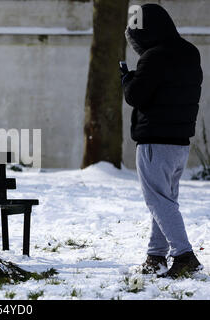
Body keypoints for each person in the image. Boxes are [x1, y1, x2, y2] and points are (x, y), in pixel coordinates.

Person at [122, 3, 203, 278]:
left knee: (158, 201)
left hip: (155, 141)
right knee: (165, 200)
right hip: (180, 142)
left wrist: (127, 79)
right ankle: (155, 256)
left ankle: (184, 255)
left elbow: (136, 96)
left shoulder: (154, 57)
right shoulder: (190, 52)